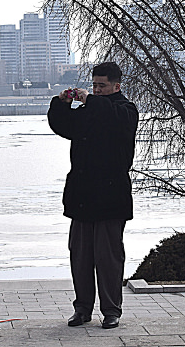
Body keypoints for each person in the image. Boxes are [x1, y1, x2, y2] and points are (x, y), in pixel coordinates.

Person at [47, 62, 138, 329]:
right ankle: (82, 308)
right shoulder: (90, 111)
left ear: (116, 86)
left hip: (110, 196)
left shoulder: (126, 110)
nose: (96, 90)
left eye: (102, 86)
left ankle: (112, 310)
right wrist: (61, 103)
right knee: (81, 256)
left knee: (108, 257)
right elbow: (63, 126)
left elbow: (110, 118)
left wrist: (90, 101)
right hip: (83, 195)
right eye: (94, 85)